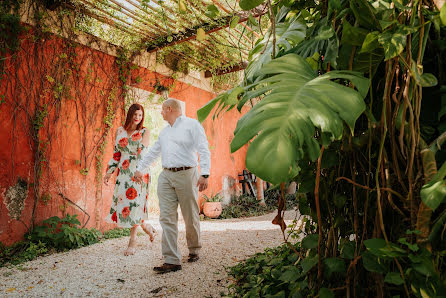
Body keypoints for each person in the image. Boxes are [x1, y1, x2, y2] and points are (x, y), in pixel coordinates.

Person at [133, 98, 211, 274]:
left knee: (190, 214)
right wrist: (140, 169)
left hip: (187, 174)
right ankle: (171, 259)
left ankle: (194, 249)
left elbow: (203, 149)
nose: (160, 112)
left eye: (162, 109)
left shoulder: (192, 125)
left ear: (169, 109)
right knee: (166, 217)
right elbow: (153, 152)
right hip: (166, 175)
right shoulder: (164, 133)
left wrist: (205, 174)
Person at [103, 103, 156, 256]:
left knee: (135, 205)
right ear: (130, 114)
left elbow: (143, 154)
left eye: (140, 115)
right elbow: (116, 154)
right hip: (123, 173)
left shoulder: (145, 132)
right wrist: (110, 171)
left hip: (139, 172)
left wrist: (140, 172)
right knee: (128, 206)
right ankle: (148, 228)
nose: (137, 118)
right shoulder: (120, 131)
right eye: (135, 115)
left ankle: (132, 242)